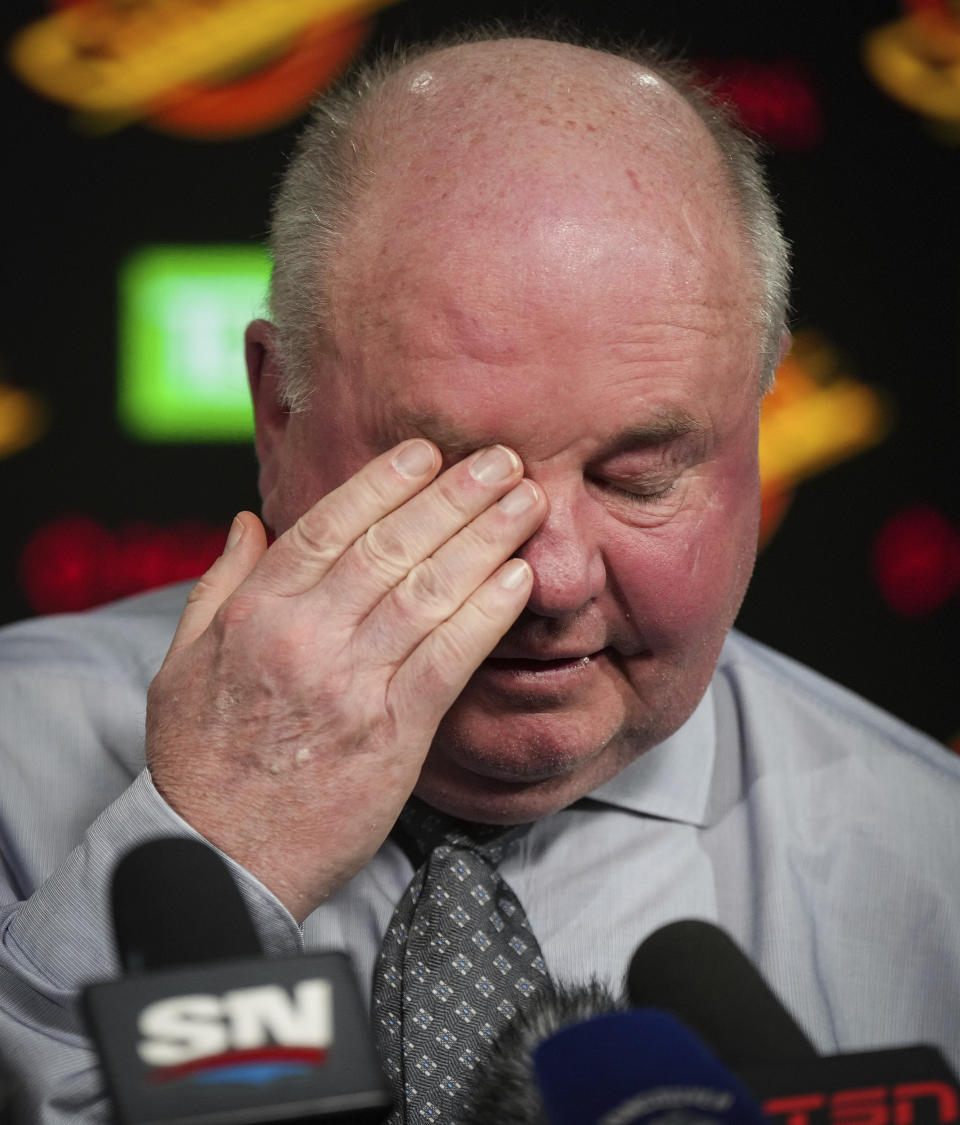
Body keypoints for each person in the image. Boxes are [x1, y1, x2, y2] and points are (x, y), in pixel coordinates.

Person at [2, 29, 959, 1124]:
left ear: (755, 430)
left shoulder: (934, 869)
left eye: (640, 478)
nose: (550, 579)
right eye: (459, 477)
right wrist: (217, 842)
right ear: (277, 414)